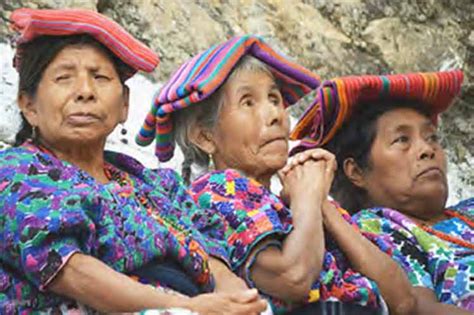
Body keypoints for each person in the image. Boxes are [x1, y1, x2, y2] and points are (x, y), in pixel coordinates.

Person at [0, 8, 268, 314]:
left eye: (100, 77)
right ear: (29, 105)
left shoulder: (158, 185)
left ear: (125, 104)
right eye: (64, 78)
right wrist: (187, 308)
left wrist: (234, 300)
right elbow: (71, 271)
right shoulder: (14, 172)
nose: (85, 92)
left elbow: (212, 252)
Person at [136, 35, 417, 315]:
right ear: (205, 136)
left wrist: (323, 207)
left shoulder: (298, 200)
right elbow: (292, 278)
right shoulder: (217, 192)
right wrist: (307, 198)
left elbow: (404, 301)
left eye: (274, 98)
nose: (275, 114)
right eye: (248, 102)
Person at [290, 70, 472, 313]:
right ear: (356, 171)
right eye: (402, 140)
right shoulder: (379, 229)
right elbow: (419, 308)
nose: (427, 150)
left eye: (432, 137)